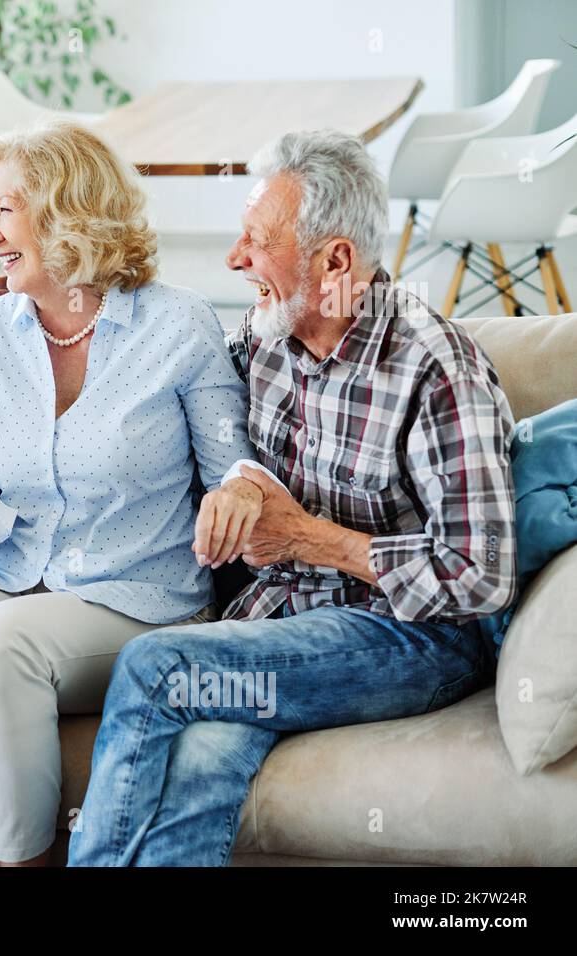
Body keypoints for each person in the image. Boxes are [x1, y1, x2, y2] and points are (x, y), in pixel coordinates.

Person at [66, 129, 517, 866]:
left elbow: (481, 574)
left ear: (335, 260)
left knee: (158, 669)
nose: (234, 259)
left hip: (410, 636)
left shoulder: (436, 368)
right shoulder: (269, 336)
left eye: (257, 240)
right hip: (282, 614)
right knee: (203, 749)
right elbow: (201, 430)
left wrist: (307, 537)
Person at [0, 121, 266, 867]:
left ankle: (24, 860)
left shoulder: (177, 322)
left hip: (136, 596)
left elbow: (233, 466)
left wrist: (238, 494)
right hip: (13, 576)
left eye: (4, 210)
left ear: (67, 211)